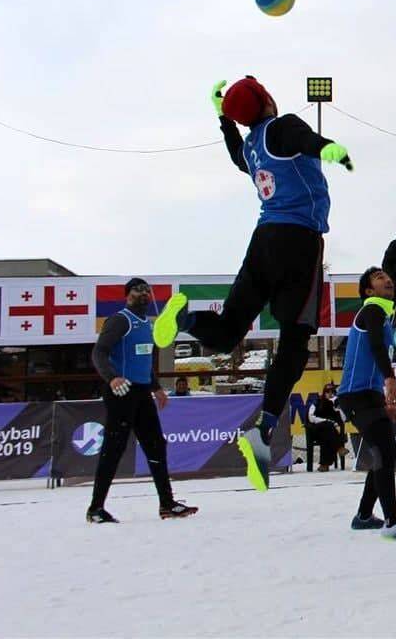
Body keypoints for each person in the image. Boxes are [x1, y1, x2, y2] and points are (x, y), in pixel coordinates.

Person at [151, 77, 351, 491]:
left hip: (263, 242)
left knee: (227, 334)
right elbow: (301, 138)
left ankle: (185, 319)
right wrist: (327, 148)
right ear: (266, 99)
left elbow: (235, 154)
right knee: (295, 341)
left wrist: (223, 119)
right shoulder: (282, 127)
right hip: (299, 242)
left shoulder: (252, 146)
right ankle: (263, 429)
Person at [86, 278, 197, 523]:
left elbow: (143, 359)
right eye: (138, 290)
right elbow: (99, 352)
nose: (144, 293)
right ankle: (95, 509)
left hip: (141, 392)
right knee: (114, 448)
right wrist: (112, 378)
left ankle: (167, 504)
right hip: (121, 391)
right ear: (127, 295)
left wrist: (156, 387)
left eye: (147, 290)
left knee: (156, 444)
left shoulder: (147, 324)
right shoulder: (120, 320)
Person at [336, 267, 396, 541]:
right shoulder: (372, 310)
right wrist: (390, 379)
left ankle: (364, 516)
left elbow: (373, 356)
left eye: (387, 276)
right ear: (368, 290)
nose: (387, 279)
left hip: (368, 395)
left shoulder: (383, 316)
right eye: (378, 278)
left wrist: (381, 398)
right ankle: (392, 521)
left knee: (385, 452)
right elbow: (376, 347)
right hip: (355, 396)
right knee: (385, 451)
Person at [307, 383, 346, 472]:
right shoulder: (317, 402)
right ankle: (339, 447)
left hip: (328, 433)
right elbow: (311, 417)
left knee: (327, 436)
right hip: (316, 430)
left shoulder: (334, 405)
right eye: (328, 392)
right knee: (328, 426)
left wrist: (339, 408)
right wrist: (326, 421)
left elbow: (343, 419)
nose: (330, 394)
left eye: (332, 392)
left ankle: (324, 465)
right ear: (324, 393)